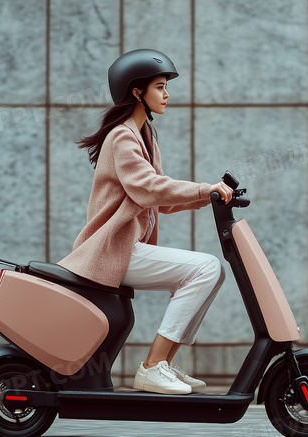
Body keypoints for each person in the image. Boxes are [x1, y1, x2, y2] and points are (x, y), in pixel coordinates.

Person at [57, 49, 234, 395]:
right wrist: (204, 188)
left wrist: (206, 197)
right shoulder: (122, 137)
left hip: (127, 250)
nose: (166, 94)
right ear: (137, 92)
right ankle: (152, 366)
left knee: (212, 272)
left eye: (166, 86)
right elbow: (149, 188)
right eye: (159, 86)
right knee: (206, 268)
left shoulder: (146, 136)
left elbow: (159, 202)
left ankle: (162, 364)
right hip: (113, 252)